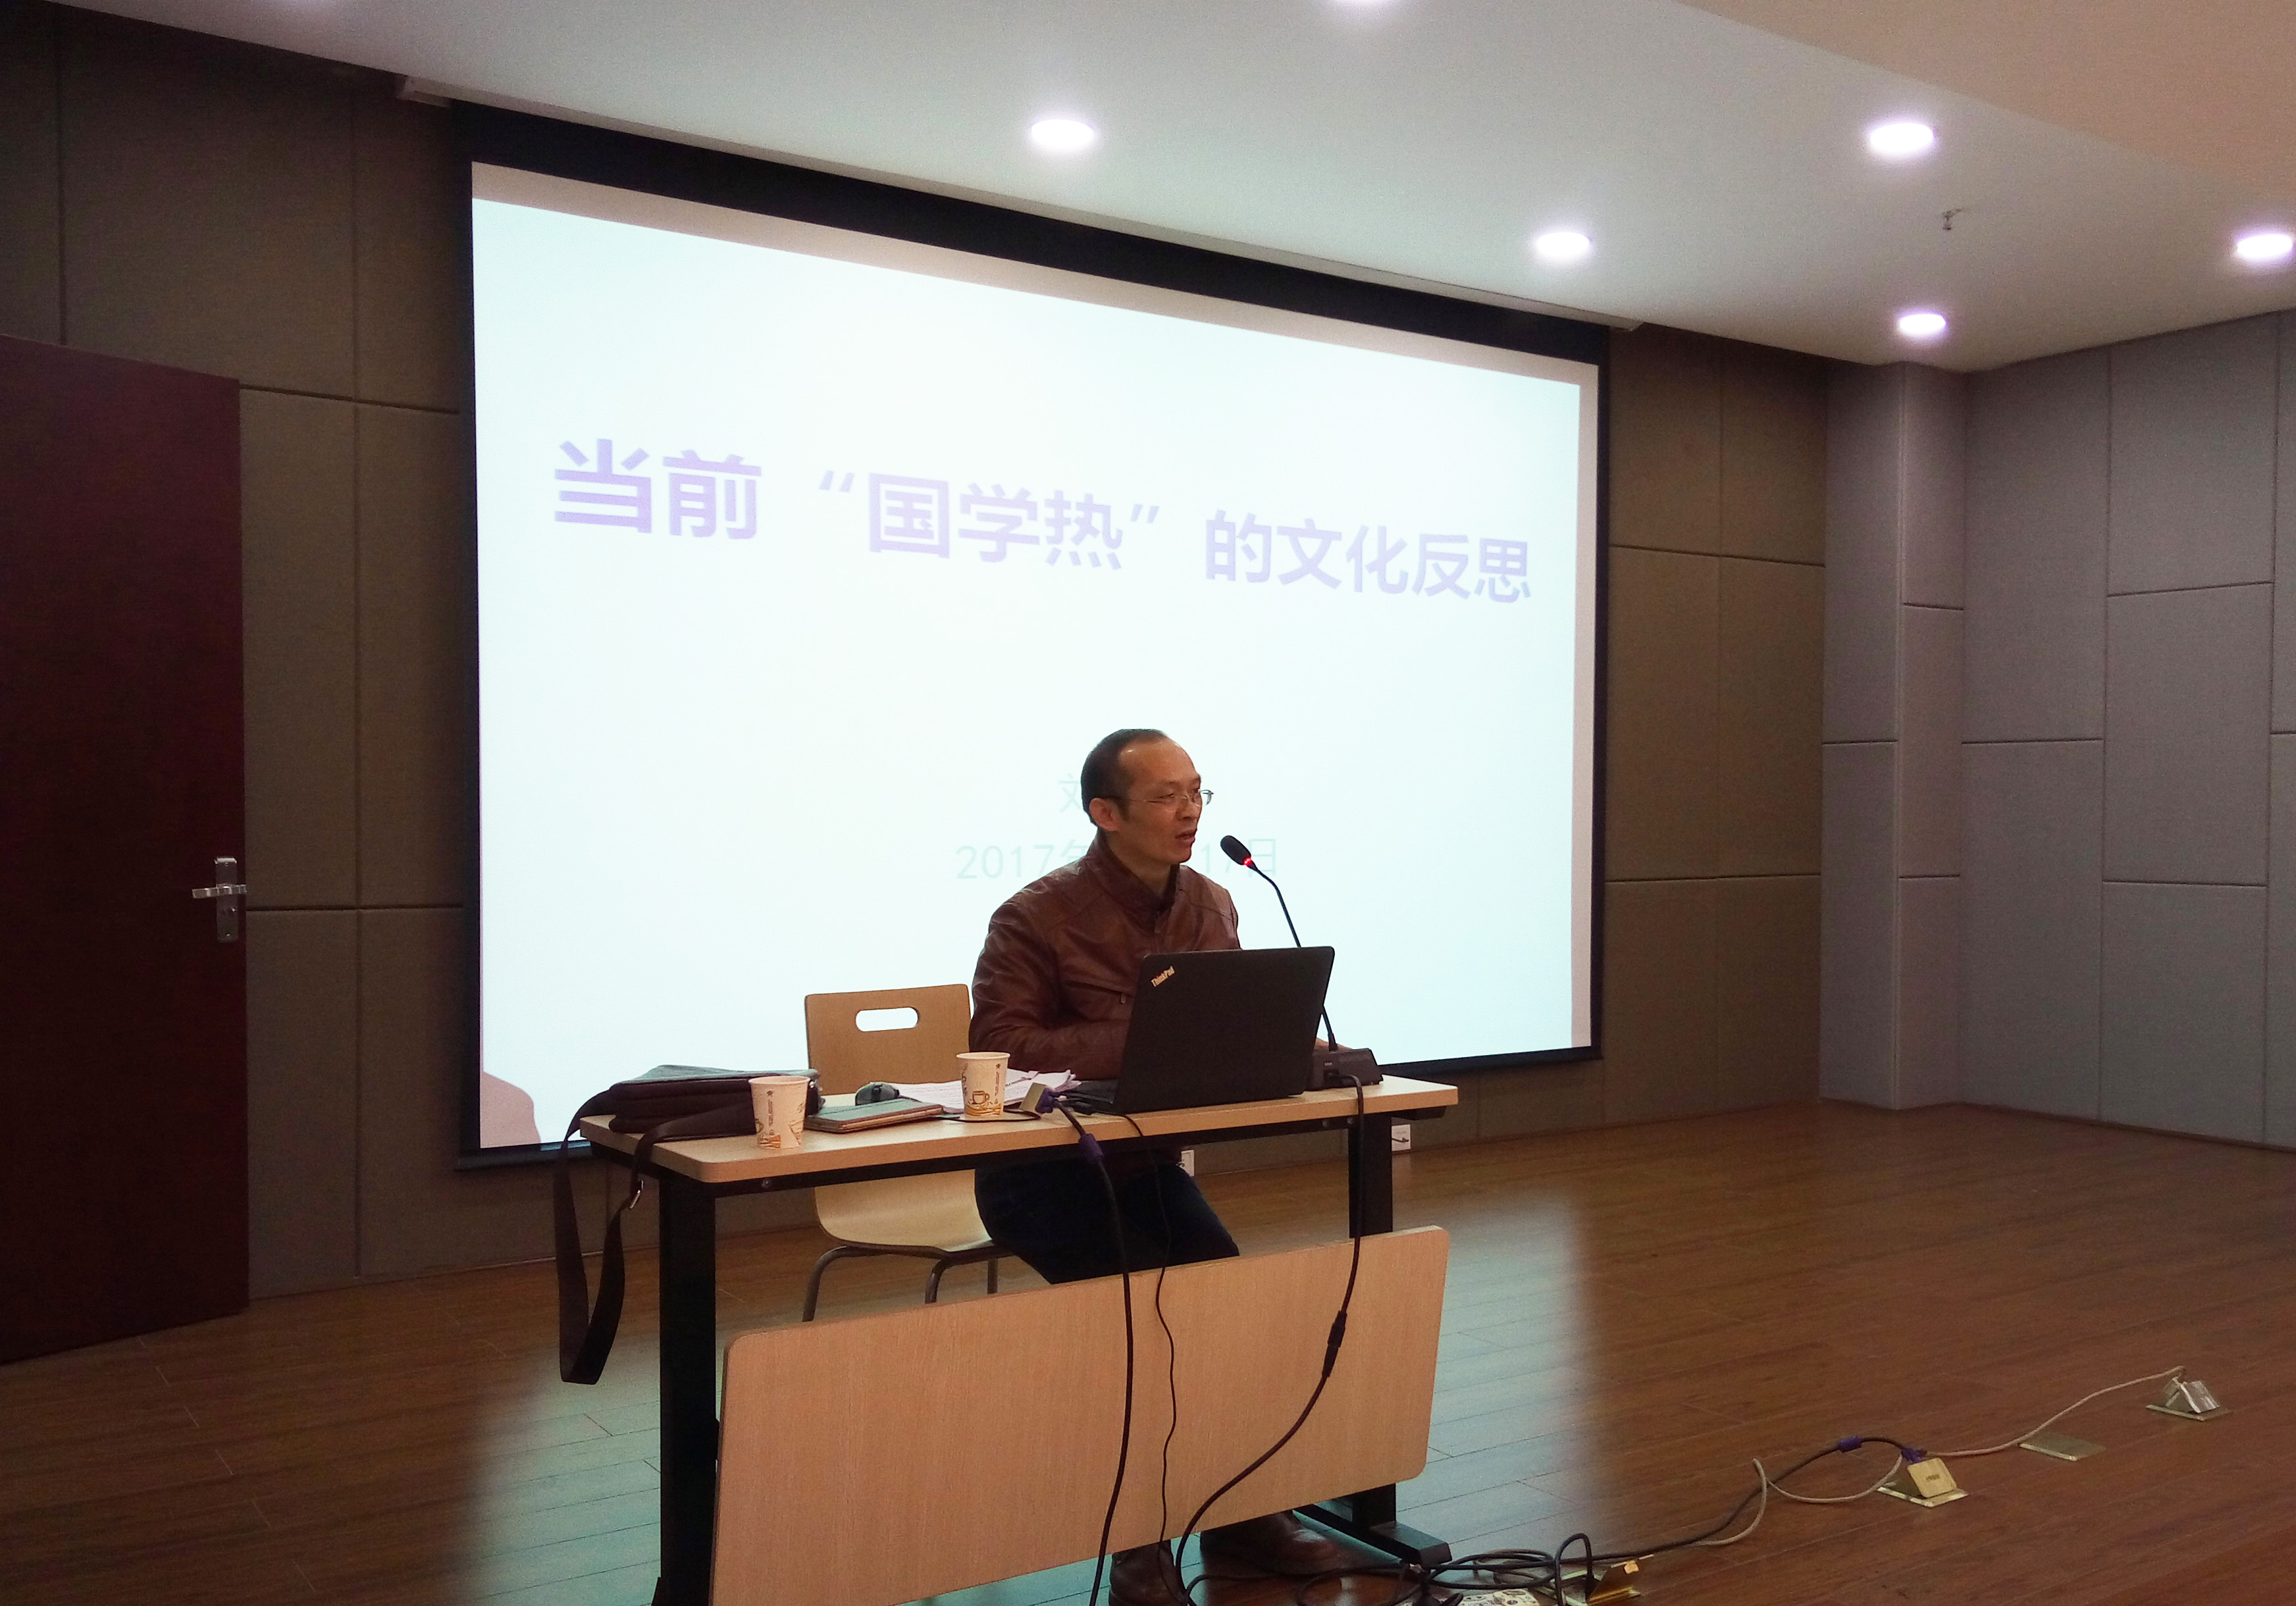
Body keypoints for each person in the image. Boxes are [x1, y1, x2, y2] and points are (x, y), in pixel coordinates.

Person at [970, 728, 1355, 1604]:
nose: (1190, 812)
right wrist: (1147, 1035)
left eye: (1198, 793)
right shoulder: (1035, 915)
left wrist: (1294, 1049)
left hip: (1143, 1167)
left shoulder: (1212, 903)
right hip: (1041, 1178)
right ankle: (1139, 1544)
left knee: (1222, 1309)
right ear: (1105, 814)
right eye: (1167, 797)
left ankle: (1240, 1514)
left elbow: (1230, 1029)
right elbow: (1003, 1046)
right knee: (1146, 1329)